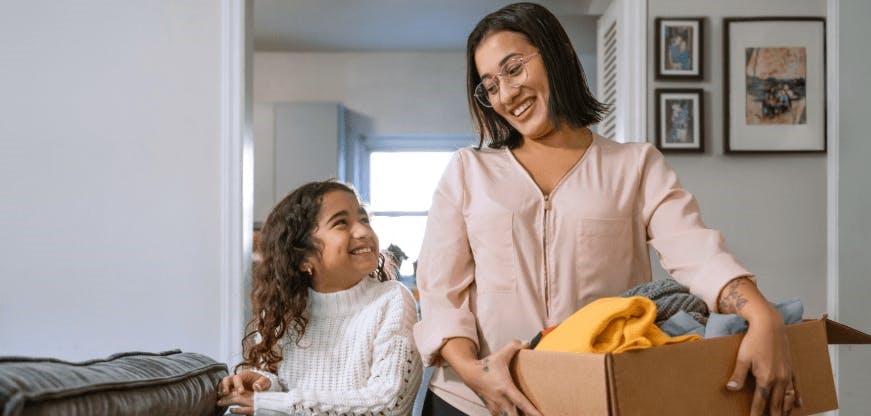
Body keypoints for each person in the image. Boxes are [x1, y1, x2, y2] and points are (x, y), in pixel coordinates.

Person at [413, 3, 799, 416]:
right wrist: (475, 373)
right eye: (490, 86)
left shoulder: (635, 165)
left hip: (597, 397)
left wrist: (763, 316)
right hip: (473, 402)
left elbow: (695, 251)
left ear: (555, 52)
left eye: (513, 69)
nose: (506, 95)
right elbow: (441, 294)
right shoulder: (468, 171)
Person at [217, 180, 422, 416]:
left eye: (364, 219)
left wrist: (275, 404)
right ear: (303, 258)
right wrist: (263, 384)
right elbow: (283, 388)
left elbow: (388, 406)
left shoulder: (392, 300)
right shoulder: (285, 309)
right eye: (341, 223)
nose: (364, 231)